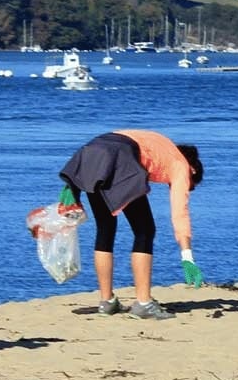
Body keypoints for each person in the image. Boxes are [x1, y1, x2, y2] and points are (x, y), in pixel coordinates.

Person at [58, 130, 205, 320]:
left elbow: (111, 141)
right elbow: (180, 212)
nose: (183, 187)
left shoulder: (162, 146)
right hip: (121, 158)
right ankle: (144, 304)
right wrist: (187, 257)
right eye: (190, 185)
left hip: (91, 155)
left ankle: (107, 302)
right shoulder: (181, 165)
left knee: (105, 227)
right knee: (145, 230)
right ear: (193, 170)